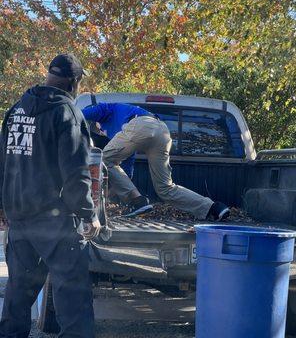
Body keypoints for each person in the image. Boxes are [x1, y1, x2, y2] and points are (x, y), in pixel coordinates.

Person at [0, 54, 101, 338]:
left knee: (18, 292)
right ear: (74, 82)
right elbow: (76, 172)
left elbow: (3, 162)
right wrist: (88, 214)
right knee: (73, 296)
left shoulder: (17, 109)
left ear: (48, 76)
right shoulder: (67, 113)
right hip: (55, 222)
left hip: (19, 219)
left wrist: (3, 205)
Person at [82, 100, 230, 220]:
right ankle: (213, 207)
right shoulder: (124, 130)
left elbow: (88, 112)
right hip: (162, 131)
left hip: (141, 125)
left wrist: (73, 114)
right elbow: (126, 167)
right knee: (165, 188)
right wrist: (117, 191)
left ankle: (138, 201)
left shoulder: (105, 111)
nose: (101, 131)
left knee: (102, 159)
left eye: (98, 128)